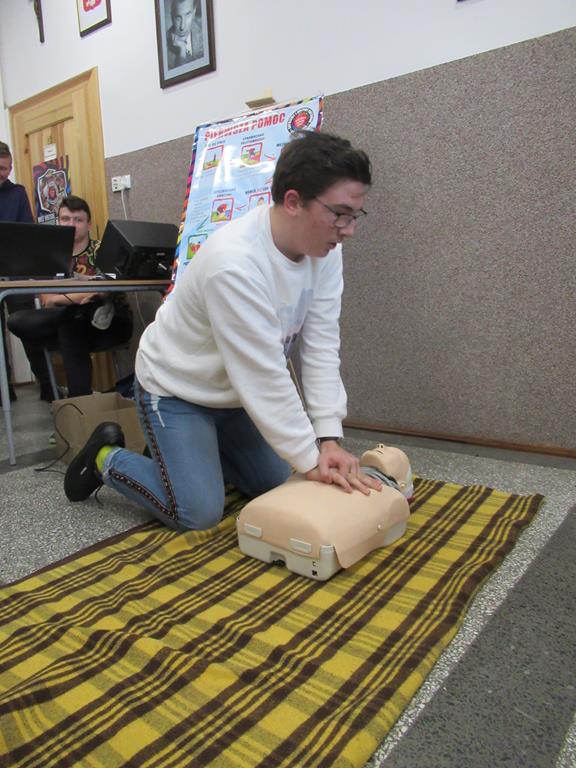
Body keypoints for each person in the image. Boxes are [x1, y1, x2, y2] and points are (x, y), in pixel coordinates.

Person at [64, 131, 382, 532]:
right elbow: (263, 374)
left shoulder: (326, 250)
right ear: (293, 201)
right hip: (176, 389)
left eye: (355, 215)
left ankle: (194, 456)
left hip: (234, 396)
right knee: (198, 512)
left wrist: (328, 438)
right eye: (340, 214)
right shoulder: (234, 263)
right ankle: (106, 458)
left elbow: (321, 345)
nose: (348, 229)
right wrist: (310, 457)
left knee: (277, 483)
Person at [8, 196, 133, 399]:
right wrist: (79, 296)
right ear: (59, 222)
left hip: (106, 323)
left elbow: (104, 291)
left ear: (88, 224)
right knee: (17, 320)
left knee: (72, 323)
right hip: (71, 316)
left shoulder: (102, 250)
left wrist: (62, 298)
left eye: (78, 220)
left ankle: (77, 405)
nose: (71, 224)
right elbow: (48, 300)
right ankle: (79, 402)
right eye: (66, 219)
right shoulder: (49, 256)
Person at [0, 140, 51, 403]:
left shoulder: (17, 193)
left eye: (6, 168)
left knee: (28, 330)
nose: (3, 173)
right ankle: (3, 390)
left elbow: (27, 232)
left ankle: (48, 385)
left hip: (16, 273)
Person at [166, 0, 204, 69]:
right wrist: (182, 54)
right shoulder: (164, 47)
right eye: (178, 18)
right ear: (172, 17)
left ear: (194, 12)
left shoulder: (204, 29)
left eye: (187, 15)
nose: (182, 27)